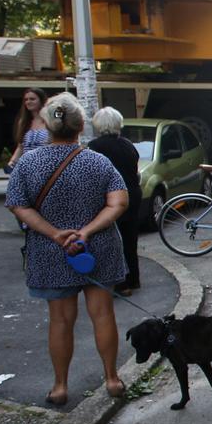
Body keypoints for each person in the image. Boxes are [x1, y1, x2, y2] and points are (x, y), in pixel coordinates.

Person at [5, 94, 129, 406]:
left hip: (51, 250)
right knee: (103, 314)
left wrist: (55, 233)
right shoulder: (98, 162)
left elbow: (17, 204)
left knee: (60, 320)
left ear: (47, 126)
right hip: (97, 247)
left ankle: (60, 386)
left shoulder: (28, 163)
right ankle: (112, 378)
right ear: (81, 126)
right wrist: (86, 231)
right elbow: (119, 202)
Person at [88, 107, 143, 295]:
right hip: (132, 194)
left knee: (114, 240)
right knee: (130, 238)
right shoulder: (127, 144)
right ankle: (133, 279)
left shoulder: (94, 147)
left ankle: (120, 283)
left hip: (110, 198)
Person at [8, 88, 50, 171]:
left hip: (45, 166)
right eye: (26, 99)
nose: (28, 102)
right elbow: (20, 147)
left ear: (41, 101)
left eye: (32, 99)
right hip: (27, 167)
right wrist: (12, 162)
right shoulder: (23, 122)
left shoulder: (50, 121)